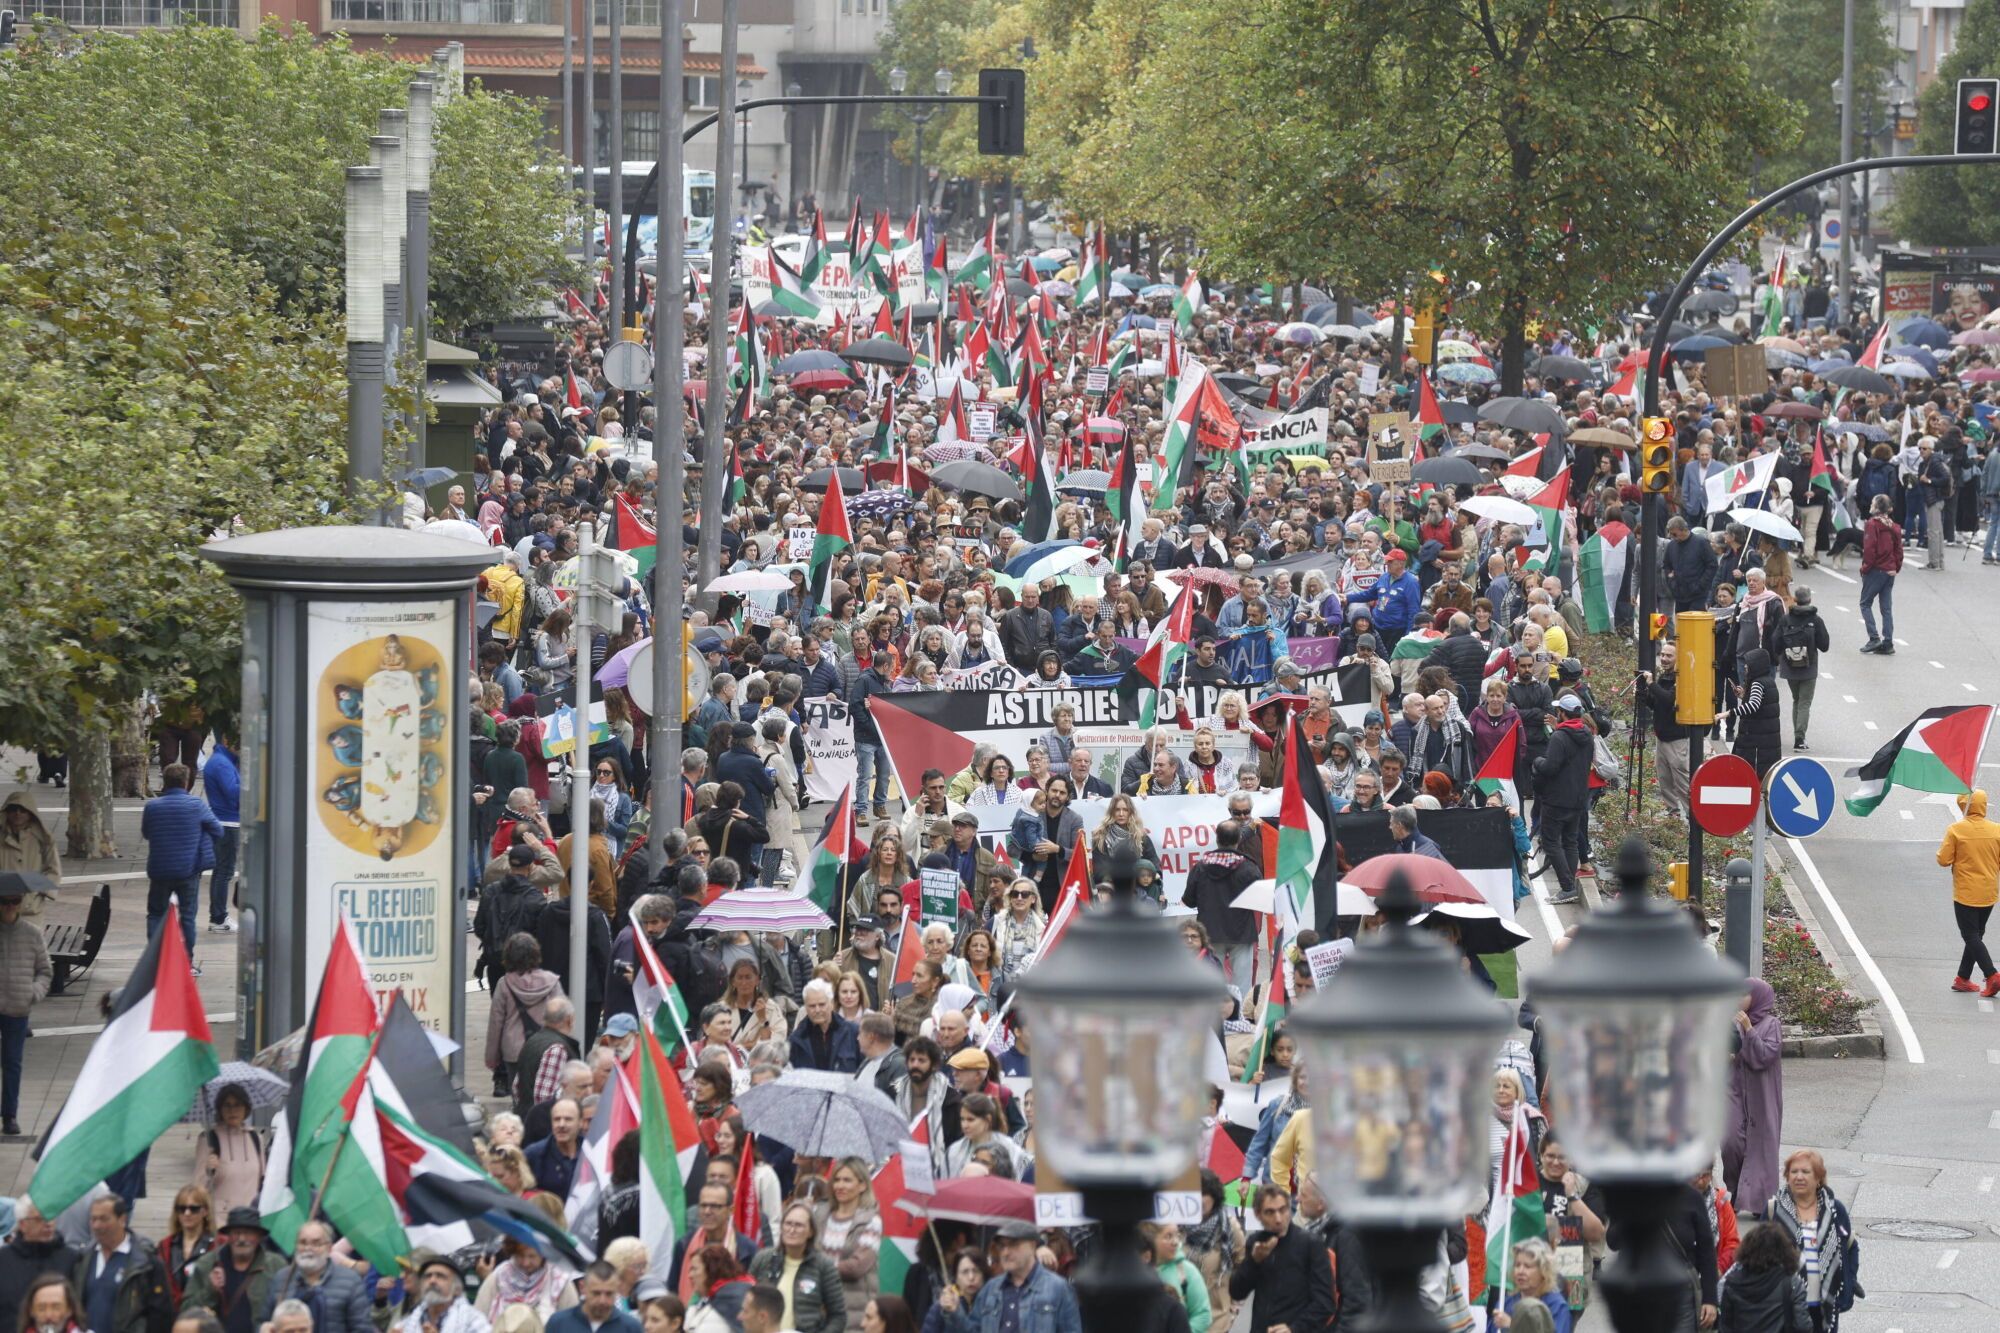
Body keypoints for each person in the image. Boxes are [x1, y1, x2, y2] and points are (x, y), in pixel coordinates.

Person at [1764, 1152, 1858, 1333]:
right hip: (1783, 1304)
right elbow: (1757, 1252)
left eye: (1806, 1172)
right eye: (1794, 1172)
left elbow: (1850, 1247)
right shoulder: (1774, 1210)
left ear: (1818, 1178)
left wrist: (1849, 1280)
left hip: (1825, 1302)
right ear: (1787, 1176)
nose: (1799, 1177)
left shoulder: (1835, 1210)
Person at [931, 1220, 1078, 1333]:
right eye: (1002, 1246)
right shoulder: (990, 1289)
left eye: (1014, 1244)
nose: (1006, 1252)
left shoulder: (1058, 1288)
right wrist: (955, 1312)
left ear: (1033, 1245)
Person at [140, 763, 223, 962]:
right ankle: (187, 960)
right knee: (187, 915)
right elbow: (218, 830)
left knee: (156, 914)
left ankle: (156, 959)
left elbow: (147, 833)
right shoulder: (196, 805)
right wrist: (200, 838)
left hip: (160, 869)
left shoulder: (152, 806)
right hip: (188, 870)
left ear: (165, 782)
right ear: (186, 782)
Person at [1226, 1186, 1330, 1333]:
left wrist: (1295, 1329)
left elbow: (1325, 1302)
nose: (1278, 1219)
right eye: (1270, 1212)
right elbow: (1237, 1291)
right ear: (1258, 1214)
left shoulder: (1310, 1244)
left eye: (1282, 1210)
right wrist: (1253, 1262)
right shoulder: (1256, 1243)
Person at [485, 933, 564, 1104]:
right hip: (545, 1047)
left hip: (514, 1051)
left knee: (519, 1097)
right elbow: (561, 1017)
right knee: (545, 1095)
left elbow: (496, 1023)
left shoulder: (504, 984)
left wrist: (492, 1056)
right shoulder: (552, 982)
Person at [0, 883, 53, 1137]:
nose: (10, 906)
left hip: (18, 1008)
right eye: (5, 901)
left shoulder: (32, 934)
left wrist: (33, 993)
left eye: (15, 901)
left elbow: (45, 970)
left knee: (12, 1063)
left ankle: (9, 1115)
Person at [178, 1209, 283, 1333]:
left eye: (248, 1233)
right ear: (227, 1236)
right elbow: (186, 1311)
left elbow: (288, 1308)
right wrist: (210, 1290)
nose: (242, 1239)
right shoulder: (207, 1264)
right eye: (236, 1233)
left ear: (259, 1236)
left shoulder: (276, 1266)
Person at [1938, 789, 2000, 995]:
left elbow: (1943, 860)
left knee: (1970, 935)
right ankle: (1962, 978)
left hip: (1966, 893)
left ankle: (1992, 974)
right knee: (1977, 934)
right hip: (1989, 892)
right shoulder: (1997, 830)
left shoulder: (1956, 830)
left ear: (1964, 806)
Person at [1533, 696, 1593, 905]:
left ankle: (1567, 887)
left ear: (1563, 713)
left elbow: (1550, 767)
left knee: (1551, 842)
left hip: (1557, 799)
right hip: (1578, 797)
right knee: (1570, 841)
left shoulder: (1559, 737)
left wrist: (1538, 761)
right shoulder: (1587, 734)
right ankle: (1570, 886)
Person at [748, 1205, 846, 1333]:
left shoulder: (824, 1266)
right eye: (788, 1224)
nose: (792, 1230)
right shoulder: (763, 1259)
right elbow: (746, 1302)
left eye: (799, 1225)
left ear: (811, 1232)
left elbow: (838, 1316)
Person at [268, 1220, 374, 1333]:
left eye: (316, 1243)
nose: (308, 1248)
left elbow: (362, 1328)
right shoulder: (282, 1278)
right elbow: (264, 1321)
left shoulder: (351, 1281)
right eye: (303, 1243)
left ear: (329, 1248)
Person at [813, 1159, 882, 1319]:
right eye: (836, 1180)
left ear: (862, 1185)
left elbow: (856, 1267)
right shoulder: (819, 1214)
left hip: (851, 1310)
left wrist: (818, 1267)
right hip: (817, 1304)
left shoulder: (871, 1221)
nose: (840, 1185)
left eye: (847, 1180)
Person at [1716, 1224, 1811, 1333]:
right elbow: (1803, 1326)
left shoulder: (1732, 1282)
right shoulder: (1791, 1283)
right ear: (1784, 1251)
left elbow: (1725, 1327)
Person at [1, 1200, 80, 1330]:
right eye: (39, 1219)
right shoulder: (4, 1260)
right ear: (23, 1224)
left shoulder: (71, 1258)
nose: (48, 1224)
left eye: (51, 1217)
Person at [195, 1086, 264, 1218]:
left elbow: (263, 1180)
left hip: (251, 1218)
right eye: (227, 1105)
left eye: (237, 1105)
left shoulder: (255, 1138)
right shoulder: (209, 1139)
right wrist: (209, 1171)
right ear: (220, 1110)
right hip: (221, 1220)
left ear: (246, 1108)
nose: (232, 1110)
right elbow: (198, 1188)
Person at [475, 1238, 579, 1326]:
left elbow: (572, 1325)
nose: (525, 1263)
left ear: (543, 1255)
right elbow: (478, 1318)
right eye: (520, 1255)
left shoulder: (559, 1282)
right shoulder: (499, 1277)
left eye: (532, 1256)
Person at [1772, 589, 1829, 749]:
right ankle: (1799, 738)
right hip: (1809, 667)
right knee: (1804, 702)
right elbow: (1824, 645)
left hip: (1790, 666)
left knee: (1796, 700)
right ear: (1809, 599)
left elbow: (1776, 642)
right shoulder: (1816, 620)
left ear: (1795, 599)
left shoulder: (1786, 619)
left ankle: (1798, 734)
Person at [1720, 648, 1781, 783]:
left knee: (1750, 776)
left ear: (1756, 665)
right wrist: (1743, 696)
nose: (1745, 667)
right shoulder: (1768, 681)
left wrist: (1728, 713)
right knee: (1764, 777)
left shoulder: (1757, 683)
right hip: (1767, 740)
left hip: (1756, 743)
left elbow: (1753, 706)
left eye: (1748, 664)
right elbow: (1762, 704)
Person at [0, 790, 61, 919]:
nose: (18, 813)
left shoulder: (43, 839)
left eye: (22, 810)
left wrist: (38, 891)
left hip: (31, 910)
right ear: (7, 812)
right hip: (3, 906)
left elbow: (53, 869)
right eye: (13, 809)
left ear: (30, 812)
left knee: (30, 932)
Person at [1141, 1225, 1210, 1333]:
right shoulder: (1136, 1271)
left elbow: (1203, 1314)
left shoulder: (1187, 1270)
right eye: (1168, 1236)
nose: (1175, 1242)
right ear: (1151, 1239)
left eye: (1177, 1235)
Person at [401, 1255, 492, 1333]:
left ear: (457, 1289)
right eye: (428, 1276)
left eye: (440, 1276)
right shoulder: (408, 1321)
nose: (432, 1281)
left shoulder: (474, 1320)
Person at [1858, 495, 1902, 655]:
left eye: (1872, 503)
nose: (1871, 505)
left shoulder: (1872, 524)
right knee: (1886, 608)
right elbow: (1899, 550)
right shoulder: (1894, 526)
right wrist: (1896, 567)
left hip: (1876, 569)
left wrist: (1865, 568)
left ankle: (1874, 637)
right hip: (1890, 571)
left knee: (1865, 603)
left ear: (1877, 507)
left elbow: (1870, 550)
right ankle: (1888, 642)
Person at [789, 980, 861, 1074]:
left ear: (831, 1004)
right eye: (812, 1006)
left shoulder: (853, 1033)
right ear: (805, 1007)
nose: (817, 1010)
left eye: (822, 1005)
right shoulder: (796, 1040)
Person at [547, 1263, 641, 1333]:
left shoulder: (631, 1328)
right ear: (582, 1287)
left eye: (609, 1294)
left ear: (617, 1289)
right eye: (596, 1293)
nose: (602, 1300)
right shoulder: (559, 1323)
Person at [525, 1098, 586, 1198]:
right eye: (557, 1119)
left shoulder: (591, 1153)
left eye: (568, 1119)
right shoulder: (534, 1155)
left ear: (580, 1122)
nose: (561, 1125)